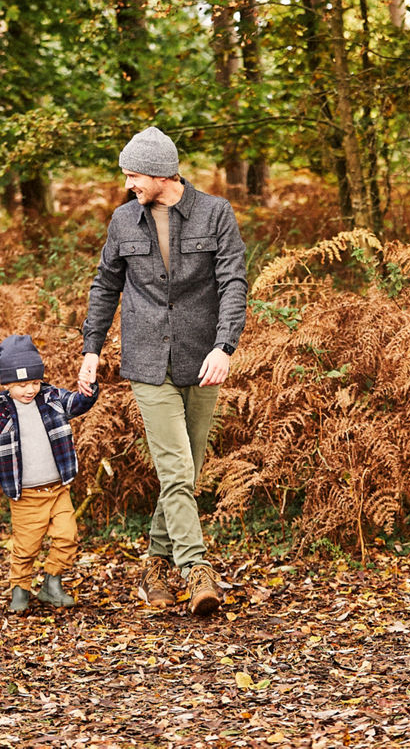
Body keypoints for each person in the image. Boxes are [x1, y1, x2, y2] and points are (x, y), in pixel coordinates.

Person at [77, 126, 248, 617]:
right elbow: (104, 285)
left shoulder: (215, 214)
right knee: (175, 467)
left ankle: (154, 562)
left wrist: (225, 346)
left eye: (133, 174)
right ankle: (196, 569)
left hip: (201, 360)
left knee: (186, 470)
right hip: (148, 362)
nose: (128, 183)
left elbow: (233, 282)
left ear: (159, 173)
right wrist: (92, 349)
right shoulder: (123, 220)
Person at [0, 334, 99, 613]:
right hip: (26, 496)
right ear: (7, 384)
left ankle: (51, 583)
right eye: (21, 385)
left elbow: (77, 404)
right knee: (26, 546)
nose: (29, 389)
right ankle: (20, 588)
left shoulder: (52, 397)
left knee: (68, 537)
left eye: (34, 382)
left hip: (58, 489)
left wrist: (88, 390)